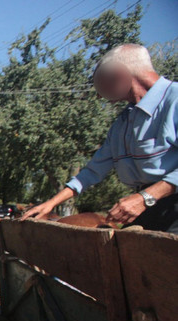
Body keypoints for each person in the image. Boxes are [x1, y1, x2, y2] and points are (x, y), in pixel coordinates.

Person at [22, 44, 178, 233]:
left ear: (120, 76)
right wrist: (51, 204)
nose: (100, 96)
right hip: (149, 203)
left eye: (101, 86)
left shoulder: (174, 100)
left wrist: (145, 197)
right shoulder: (123, 122)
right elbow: (93, 171)